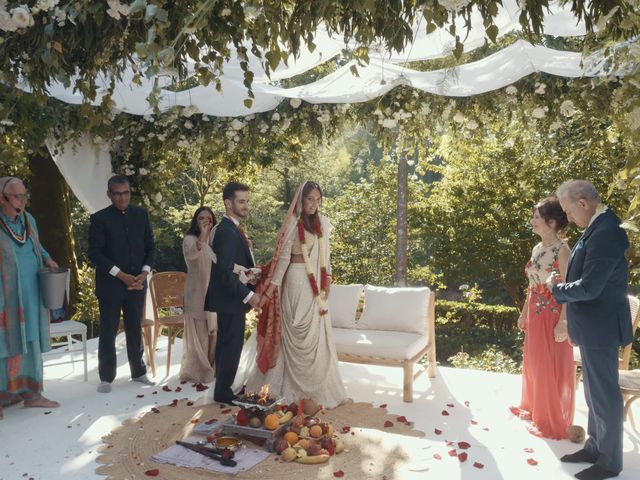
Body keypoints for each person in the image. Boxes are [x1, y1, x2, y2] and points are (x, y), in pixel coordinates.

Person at [547, 180, 632, 480]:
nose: (568, 218)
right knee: (593, 391)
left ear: (583, 203)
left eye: (569, 211)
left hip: (602, 326)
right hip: (595, 325)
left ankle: (609, 463)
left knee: (604, 394)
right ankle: (595, 448)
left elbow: (591, 287)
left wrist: (557, 289)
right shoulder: (598, 228)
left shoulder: (607, 232)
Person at [245, 181, 347, 408]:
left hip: (316, 287)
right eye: (310, 199)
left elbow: (326, 256)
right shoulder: (292, 223)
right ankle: (287, 389)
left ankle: (318, 391)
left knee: (315, 335)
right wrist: (269, 291)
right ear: (300, 200)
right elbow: (282, 261)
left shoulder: (323, 223)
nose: (314, 204)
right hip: (294, 282)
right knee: (292, 331)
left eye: (318, 200)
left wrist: (327, 279)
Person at [510, 197, 575, 439]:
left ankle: (550, 419)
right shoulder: (537, 249)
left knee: (550, 364)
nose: (532, 221)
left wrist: (564, 322)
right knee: (535, 362)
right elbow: (532, 285)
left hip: (554, 313)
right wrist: (524, 311)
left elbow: (568, 288)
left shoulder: (563, 250)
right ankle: (535, 408)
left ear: (552, 221)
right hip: (536, 313)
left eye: (537, 217)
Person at [88, 175, 156, 393]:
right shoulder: (99, 219)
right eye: (117, 193)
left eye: (125, 192)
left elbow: (151, 248)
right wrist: (121, 275)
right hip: (110, 285)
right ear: (109, 195)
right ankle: (106, 377)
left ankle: (138, 372)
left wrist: (144, 273)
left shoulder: (141, 215)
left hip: (137, 283)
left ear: (130, 192)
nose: (122, 197)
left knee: (135, 328)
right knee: (108, 330)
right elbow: (94, 254)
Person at [0, 176, 60, 419]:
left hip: (32, 292)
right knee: (5, 344)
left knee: (32, 341)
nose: (22, 201)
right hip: (5, 296)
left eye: (24, 195)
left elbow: (38, 245)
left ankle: (32, 394)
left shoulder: (29, 220)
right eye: (16, 196)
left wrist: (47, 259)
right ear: (2, 199)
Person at [205, 182, 261, 404]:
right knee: (231, 345)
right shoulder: (227, 232)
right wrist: (249, 296)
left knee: (227, 343)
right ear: (228, 203)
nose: (246, 205)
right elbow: (224, 271)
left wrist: (250, 273)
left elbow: (233, 267)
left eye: (247, 201)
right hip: (230, 299)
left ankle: (223, 388)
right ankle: (224, 392)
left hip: (228, 299)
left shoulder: (232, 228)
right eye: (241, 201)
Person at [179, 207, 217, 384]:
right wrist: (202, 236)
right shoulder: (190, 240)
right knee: (200, 333)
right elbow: (192, 255)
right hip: (196, 292)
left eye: (209, 218)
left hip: (213, 291)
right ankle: (199, 370)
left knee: (213, 332)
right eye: (201, 218)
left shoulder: (215, 240)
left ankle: (212, 366)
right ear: (195, 220)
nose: (205, 221)